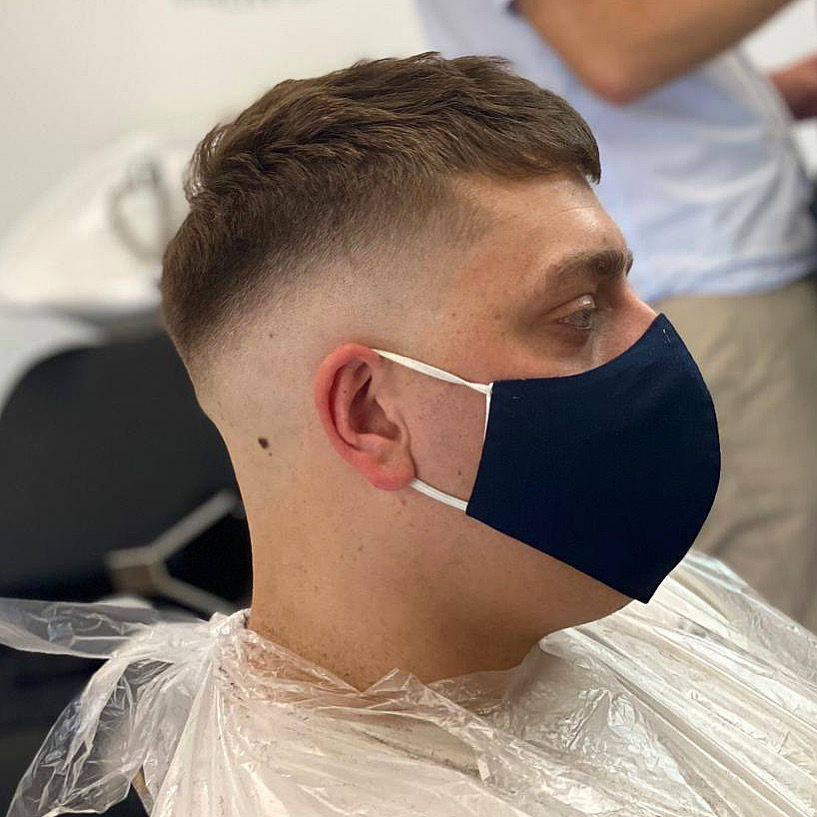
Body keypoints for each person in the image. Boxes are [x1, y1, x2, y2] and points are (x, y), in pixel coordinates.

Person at [2, 54, 816, 816]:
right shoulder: (287, 793)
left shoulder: (623, 610)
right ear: (370, 414)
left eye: (630, 290)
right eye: (577, 313)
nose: (652, 341)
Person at [413, 0, 817, 632]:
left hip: (728, 267)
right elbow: (618, 57)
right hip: (706, 281)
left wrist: (767, 100)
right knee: (781, 604)